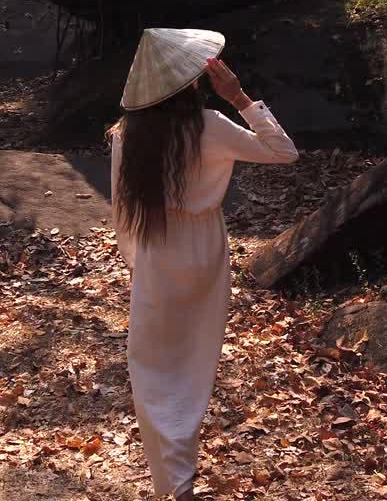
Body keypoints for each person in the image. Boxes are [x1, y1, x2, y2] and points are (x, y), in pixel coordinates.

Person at [109, 28, 299, 500]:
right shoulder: (211, 125)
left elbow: (121, 213)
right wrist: (238, 96)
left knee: (152, 366)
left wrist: (138, 264)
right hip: (205, 249)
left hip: (155, 248)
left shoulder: (126, 134)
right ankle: (180, 482)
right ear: (190, 81)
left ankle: (172, 483)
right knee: (193, 364)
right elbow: (284, 152)